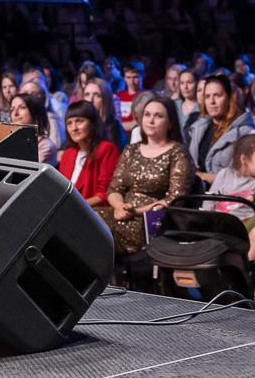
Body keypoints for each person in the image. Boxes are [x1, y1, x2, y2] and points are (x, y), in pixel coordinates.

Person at [103, 92, 192, 263]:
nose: (150, 120)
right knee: (87, 222)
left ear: (170, 123)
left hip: (151, 219)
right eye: (147, 115)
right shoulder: (131, 150)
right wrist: (120, 206)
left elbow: (175, 199)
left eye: (158, 116)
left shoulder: (178, 152)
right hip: (121, 212)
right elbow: (114, 189)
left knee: (100, 238)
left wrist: (135, 212)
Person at [56, 101, 121, 216]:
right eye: (69, 123)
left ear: (92, 123)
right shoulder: (68, 154)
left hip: (93, 214)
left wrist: (74, 207)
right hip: (68, 212)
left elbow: (104, 194)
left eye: (79, 121)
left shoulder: (106, 149)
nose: (74, 128)